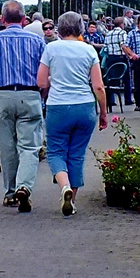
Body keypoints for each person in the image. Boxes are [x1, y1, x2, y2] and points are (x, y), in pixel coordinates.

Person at [0, 0, 47, 212]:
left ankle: (10, 192)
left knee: (7, 147)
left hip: (3, 93)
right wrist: (42, 92)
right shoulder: (36, 40)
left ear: (2, 19)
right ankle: (24, 186)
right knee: (29, 146)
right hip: (30, 94)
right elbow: (46, 72)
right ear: (24, 19)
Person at [37, 12, 108, 217]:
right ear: (81, 28)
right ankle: (72, 200)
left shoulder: (51, 48)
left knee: (56, 151)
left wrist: (55, 80)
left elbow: (41, 82)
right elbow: (99, 86)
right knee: (76, 154)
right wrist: (103, 112)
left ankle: (64, 187)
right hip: (84, 106)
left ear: (59, 28)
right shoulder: (89, 50)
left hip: (58, 107)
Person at [101, 16, 130, 112]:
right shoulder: (122, 33)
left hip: (111, 57)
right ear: (122, 24)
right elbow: (124, 45)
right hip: (120, 57)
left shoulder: (108, 34)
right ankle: (128, 99)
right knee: (126, 79)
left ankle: (111, 100)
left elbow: (105, 47)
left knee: (111, 79)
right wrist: (130, 55)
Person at [125, 15, 140, 110]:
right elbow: (126, 46)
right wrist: (132, 54)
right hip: (137, 59)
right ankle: (138, 103)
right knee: (137, 81)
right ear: (139, 22)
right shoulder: (132, 33)